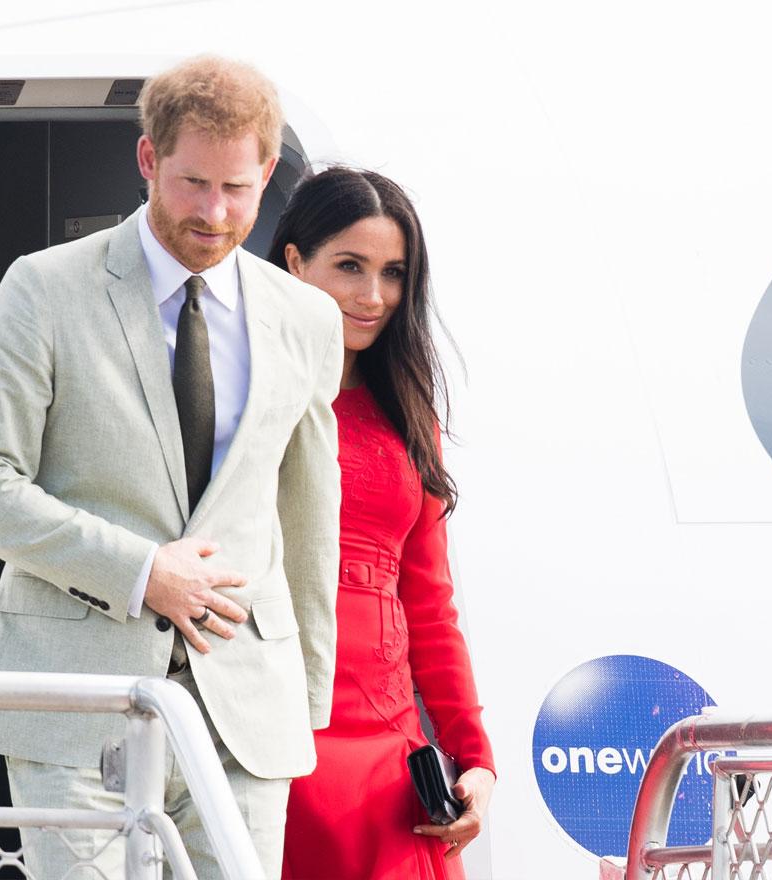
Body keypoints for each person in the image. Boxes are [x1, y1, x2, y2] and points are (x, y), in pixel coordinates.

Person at [0, 56, 344, 879]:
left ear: (268, 171)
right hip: (73, 704)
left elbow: (307, 523)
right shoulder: (44, 289)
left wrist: (303, 707)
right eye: (193, 182)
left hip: (245, 714)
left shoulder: (306, 318)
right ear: (148, 159)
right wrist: (140, 572)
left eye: (237, 187)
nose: (214, 211)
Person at [267, 167, 497, 880]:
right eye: (350, 267)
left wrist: (474, 755)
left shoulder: (408, 415)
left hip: (390, 759)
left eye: (393, 273)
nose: (374, 297)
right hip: (274, 735)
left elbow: (429, 604)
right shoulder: (242, 394)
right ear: (294, 263)